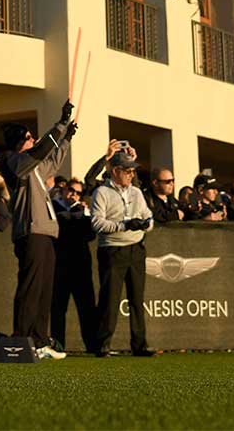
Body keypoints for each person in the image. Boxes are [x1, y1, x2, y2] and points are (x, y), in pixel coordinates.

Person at [3, 99, 77, 361]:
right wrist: (61, 124)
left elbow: (52, 161)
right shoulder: (16, 163)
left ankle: (39, 341)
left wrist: (66, 139)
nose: (32, 139)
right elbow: (43, 149)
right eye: (27, 137)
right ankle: (20, 340)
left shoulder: (34, 167)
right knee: (31, 288)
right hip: (30, 231)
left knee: (45, 289)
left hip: (46, 232)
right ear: (17, 143)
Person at [91, 150, 157, 358]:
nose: (131, 174)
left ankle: (140, 345)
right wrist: (124, 225)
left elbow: (149, 216)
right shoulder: (101, 192)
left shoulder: (136, 192)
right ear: (115, 171)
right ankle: (103, 344)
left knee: (137, 299)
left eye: (132, 171)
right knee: (110, 299)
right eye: (127, 171)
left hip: (136, 249)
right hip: (112, 250)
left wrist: (145, 225)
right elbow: (97, 223)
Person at [51, 177, 97, 354]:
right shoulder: (53, 207)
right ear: (63, 190)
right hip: (59, 264)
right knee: (58, 307)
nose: (74, 195)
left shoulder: (84, 211)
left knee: (86, 307)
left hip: (81, 265)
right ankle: (57, 345)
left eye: (78, 193)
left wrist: (83, 216)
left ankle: (92, 345)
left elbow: (90, 235)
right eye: (71, 190)